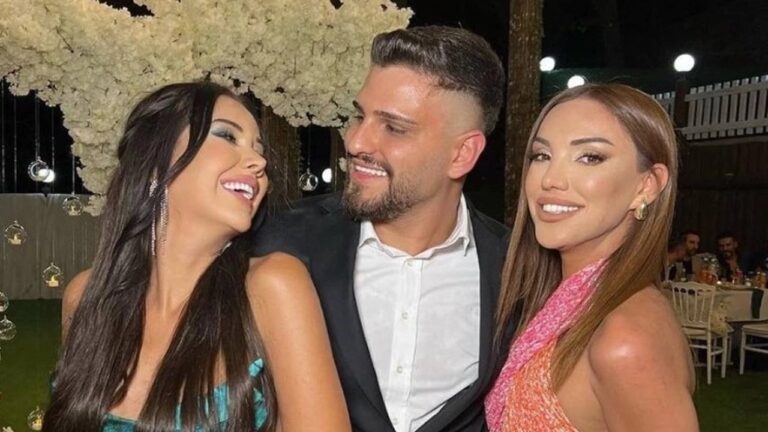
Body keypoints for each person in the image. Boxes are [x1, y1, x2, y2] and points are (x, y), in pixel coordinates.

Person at [44, 82, 350, 431]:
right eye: (227, 136)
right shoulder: (86, 297)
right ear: (155, 162)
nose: (259, 162)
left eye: (259, 148)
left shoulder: (271, 285)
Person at [252, 26, 513, 432]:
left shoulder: (519, 269)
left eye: (394, 127)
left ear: (462, 153)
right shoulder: (279, 243)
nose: (356, 142)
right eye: (360, 115)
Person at [485, 83, 697, 432]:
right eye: (541, 155)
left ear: (646, 186)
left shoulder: (624, 340)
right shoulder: (565, 306)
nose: (550, 180)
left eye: (590, 157)